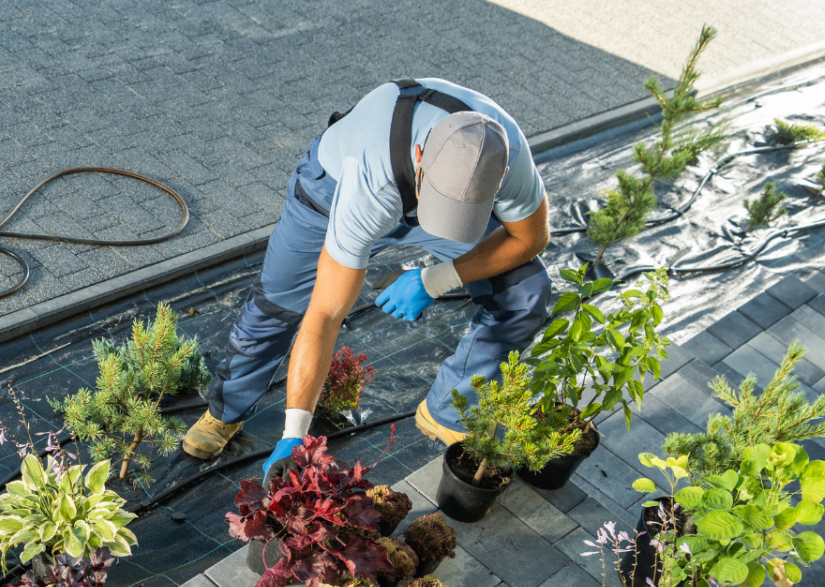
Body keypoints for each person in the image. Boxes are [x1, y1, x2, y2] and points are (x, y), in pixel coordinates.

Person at [181, 78, 553, 477]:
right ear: (420, 155)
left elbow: (530, 237)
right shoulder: (370, 180)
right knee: (277, 304)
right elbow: (326, 312)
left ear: (503, 174)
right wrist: (294, 434)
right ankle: (226, 410)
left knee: (526, 292)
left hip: (416, 185)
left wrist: (437, 279)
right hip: (331, 192)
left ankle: (448, 411)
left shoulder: (506, 156)